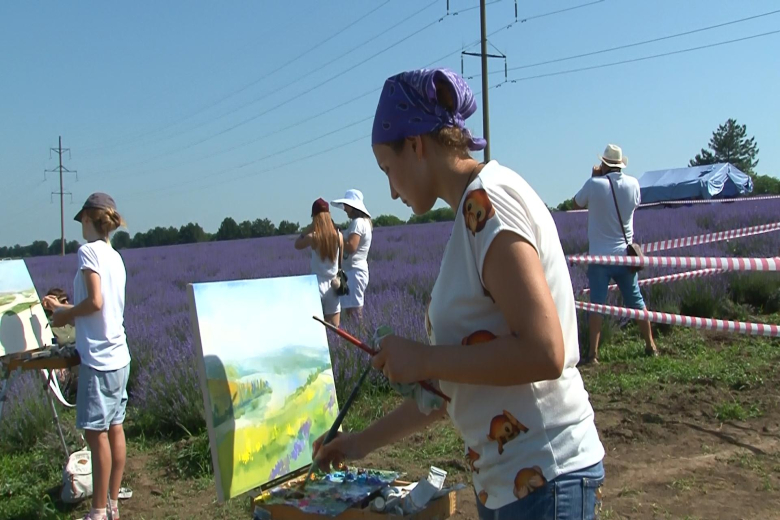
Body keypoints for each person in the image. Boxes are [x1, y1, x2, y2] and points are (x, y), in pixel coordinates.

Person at [313, 68, 605, 520]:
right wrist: (356, 444)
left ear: (416, 145)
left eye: (388, 169)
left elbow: (545, 352)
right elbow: (453, 388)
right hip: (510, 486)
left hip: (546, 476)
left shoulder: (487, 203)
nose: (391, 190)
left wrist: (425, 359)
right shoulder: (472, 214)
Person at [43, 192, 130, 520]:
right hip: (119, 356)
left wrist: (63, 313)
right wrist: (67, 307)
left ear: (89, 219)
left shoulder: (88, 252)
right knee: (115, 428)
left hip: (99, 359)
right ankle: (112, 504)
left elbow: (95, 302)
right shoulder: (115, 256)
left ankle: (98, 512)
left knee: (96, 435)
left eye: (81, 219)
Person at [572, 144, 658, 364]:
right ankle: (650, 345)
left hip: (599, 257)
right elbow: (634, 204)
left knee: (597, 306)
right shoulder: (633, 184)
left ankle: (593, 354)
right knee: (636, 301)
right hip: (624, 256)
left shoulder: (594, 184)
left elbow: (576, 202)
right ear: (620, 164)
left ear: (604, 164)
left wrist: (595, 177)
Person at [295, 198, 343, 327]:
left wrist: (309, 228)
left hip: (316, 284)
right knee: (334, 327)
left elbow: (297, 244)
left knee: (316, 326)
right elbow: (340, 261)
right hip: (334, 285)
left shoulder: (313, 237)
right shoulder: (338, 236)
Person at [330, 189, 372, 320]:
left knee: (354, 314)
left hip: (355, 273)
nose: (344, 209)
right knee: (352, 313)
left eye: (346, 205)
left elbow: (351, 247)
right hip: (356, 272)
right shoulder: (364, 222)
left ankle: (360, 334)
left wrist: (337, 236)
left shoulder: (357, 223)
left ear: (353, 206)